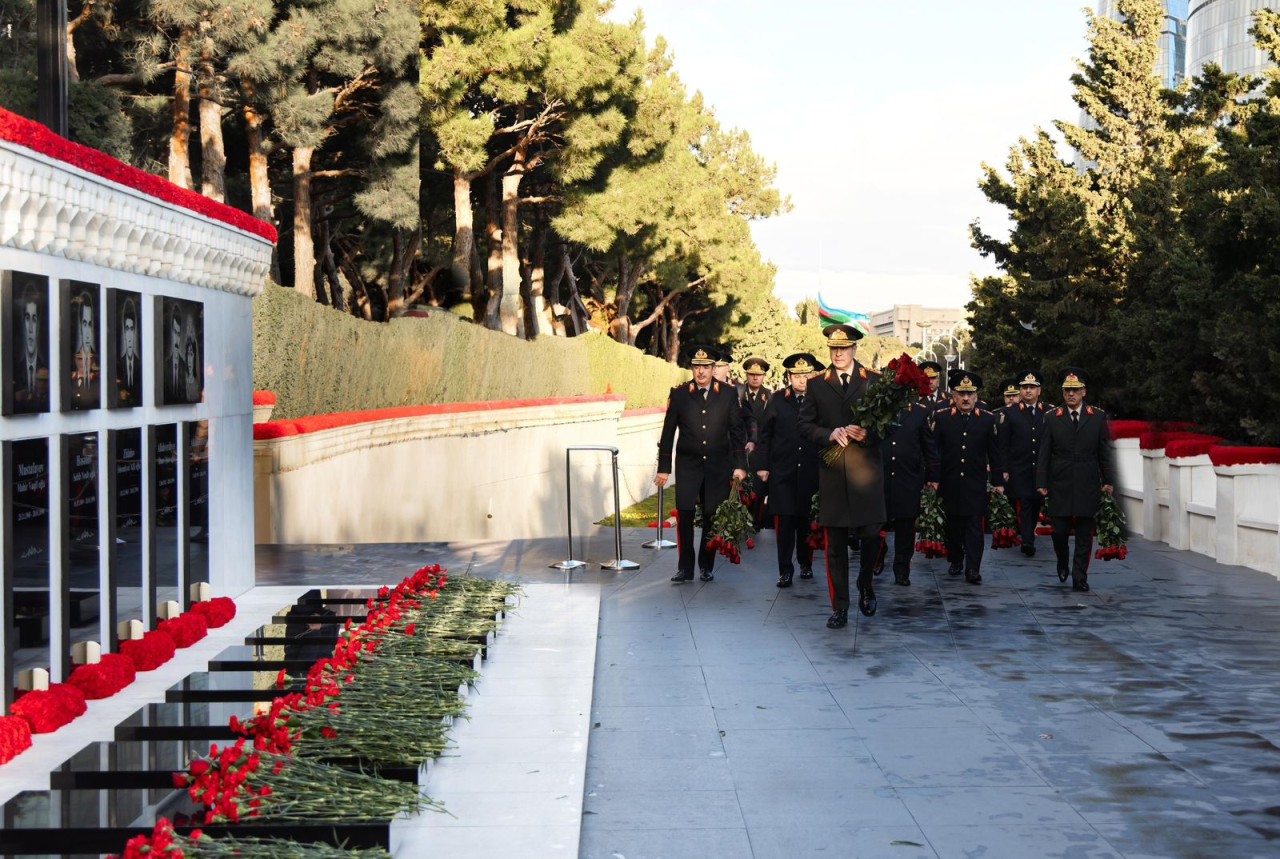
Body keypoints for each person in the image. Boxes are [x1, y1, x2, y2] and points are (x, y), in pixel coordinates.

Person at [798, 324, 885, 628]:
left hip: (866, 475)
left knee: (872, 535)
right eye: (833, 349)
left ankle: (866, 584)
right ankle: (841, 607)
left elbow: (891, 425)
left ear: (854, 349)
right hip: (833, 475)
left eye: (843, 348)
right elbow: (804, 425)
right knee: (834, 547)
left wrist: (868, 433)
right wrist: (828, 433)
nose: (838, 354)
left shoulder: (874, 380)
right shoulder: (817, 383)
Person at [656, 346, 748, 583]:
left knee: (710, 515)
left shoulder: (727, 394)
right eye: (697, 367)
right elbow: (668, 432)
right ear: (692, 369)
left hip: (717, 464)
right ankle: (685, 568)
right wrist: (664, 468)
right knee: (685, 513)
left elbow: (737, 431)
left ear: (712, 368)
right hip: (688, 464)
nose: (701, 372)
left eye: (705, 367)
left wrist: (740, 465)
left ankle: (706, 566)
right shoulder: (679, 394)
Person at [1036, 367, 1116, 592]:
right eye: (1067, 390)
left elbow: (1104, 451)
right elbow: (1044, 451)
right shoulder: (1052, 417)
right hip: (1059, 479)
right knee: (1059, 530)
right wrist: (1041, 482)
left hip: (1087, 478)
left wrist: (1108, 480)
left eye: (1076, 390)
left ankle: (1079, 575)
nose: (1071, 394)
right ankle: (1062, 561)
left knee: (1084, 531)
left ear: (1084, 392)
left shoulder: (1097, 416)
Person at [926, 370, 1004, 584]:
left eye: (970, 394)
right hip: (949, 481)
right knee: (952, 525)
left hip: (975, 482)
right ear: (954, 396)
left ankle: (973, 568)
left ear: (976, 397)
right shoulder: (942, 417)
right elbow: (934, 450)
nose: (966, 398)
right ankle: (956, 559)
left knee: (974, 526)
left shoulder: (987, 420)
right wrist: (932, 477)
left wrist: (998, 482)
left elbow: (994, 453)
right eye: (961, 394)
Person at [755, 353, 822, 587]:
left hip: (810, 470)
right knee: (784, 524)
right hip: (783, 471)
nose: (801, 380)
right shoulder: (776, 400)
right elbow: (765, 435)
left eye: (806, 375)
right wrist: (763, 466)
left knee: (805, 521)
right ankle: (785, 569)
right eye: (796, 375)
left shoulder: (819, 400)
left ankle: (805, 563)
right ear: (789, 376)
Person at [878, 379, 937, 586]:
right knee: (876, 523)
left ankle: (902, 569)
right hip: (880, 476)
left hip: (908, 477)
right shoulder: (877, 409)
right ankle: (877, 555)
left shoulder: (920, 412)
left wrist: (932, 476)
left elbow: (928, 446)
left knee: (905, 527)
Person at [1003, 370, 1051, 556]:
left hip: (1041, 468)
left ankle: (1028, 533)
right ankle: (1027, 541)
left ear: (1039, 390)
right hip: (1019, 468)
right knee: (1024, 503)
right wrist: (1004, 469)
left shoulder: (1049, 411)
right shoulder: (1010, 412)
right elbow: (1004, 444)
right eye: (1024, 387)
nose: (1028, 391)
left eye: (1032, 387)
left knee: (1036, 503)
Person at [740, 357, 772, 528]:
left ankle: (756, 524)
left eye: (758, 375)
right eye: (751, 374)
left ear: (764, 376)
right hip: (741, 449)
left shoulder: (770, 397)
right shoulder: (738, 394)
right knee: (740, 489)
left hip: (760, 451)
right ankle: (740, 524)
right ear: (746, 375)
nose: (755, 378)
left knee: (759, 491)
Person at [14, 282, 48, 412]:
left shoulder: (44, 363)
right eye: (27, 318)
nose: (30, 328)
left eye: (34, 319)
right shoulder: (15, 364)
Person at [116, 297, 142, 406]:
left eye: (132, 328)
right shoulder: (118, 362)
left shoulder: (141, 362)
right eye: (127, 328)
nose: (130, 334)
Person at [164, 304, 187, 403]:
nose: (176, 339)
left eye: (178, 333)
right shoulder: (165, 365)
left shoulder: (184, 365)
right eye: (174, 332)